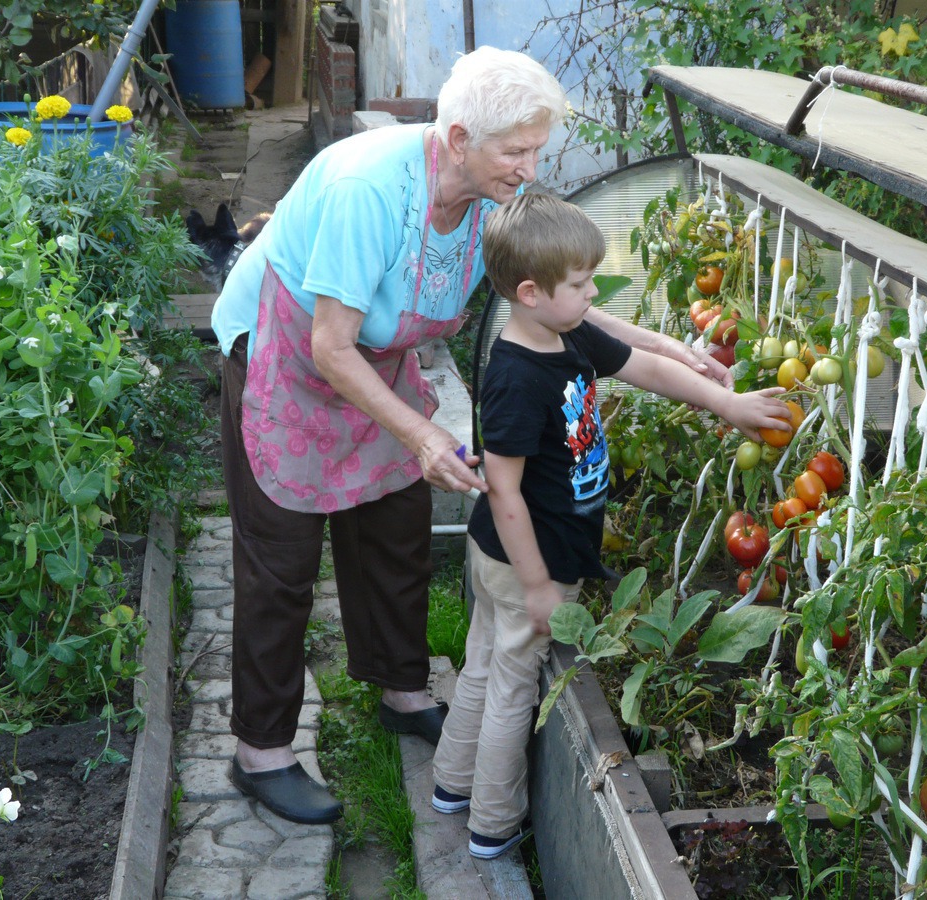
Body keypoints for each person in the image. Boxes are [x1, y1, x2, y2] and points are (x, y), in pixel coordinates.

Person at [211, 46, 734, 827]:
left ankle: (403, 691)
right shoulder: (369, 192)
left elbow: (561, 300)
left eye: (536, 150)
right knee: (281, 558)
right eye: (515, 151)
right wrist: (423, 433)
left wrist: (664, 346)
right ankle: (262, 753)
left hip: (372, 360)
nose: (529, 168)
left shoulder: (493, 202)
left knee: (395, 528)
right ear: (458, 138)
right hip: (288, 357)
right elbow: (327, 344)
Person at [430, 192, 790, 859]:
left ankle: (452, 785)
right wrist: (539, 584)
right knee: (512, 684)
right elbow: (504, 492)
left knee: (484, 663)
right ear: (532, 292)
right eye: (581, 283)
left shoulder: (564, 331)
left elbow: (644, 365)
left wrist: (726, 402)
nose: (594, 292)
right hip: (524, 560)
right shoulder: (514, 376)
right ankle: (493, 825)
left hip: (514, 558)